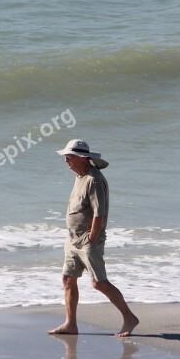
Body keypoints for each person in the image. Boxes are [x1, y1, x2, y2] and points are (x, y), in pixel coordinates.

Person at [48, 139, 139, 337]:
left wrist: (92, 238)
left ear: (83, 158)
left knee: (99, 282)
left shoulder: (94, 180)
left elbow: (100, 213)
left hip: (88, 241)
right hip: (72, 240)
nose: (66, 160)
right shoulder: (80, 176)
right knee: (68, 279)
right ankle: (70, 324)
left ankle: (129, 318)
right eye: (66, 156)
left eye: (69, 157)